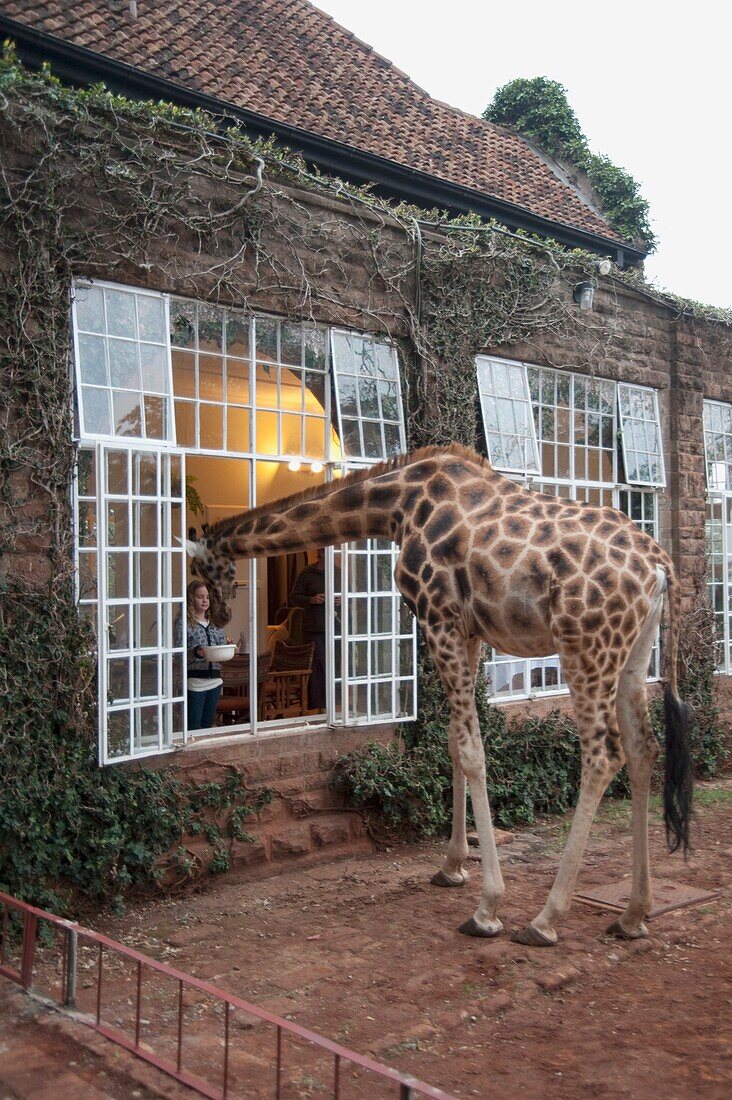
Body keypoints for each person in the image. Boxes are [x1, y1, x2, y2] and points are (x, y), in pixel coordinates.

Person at [290, 547, 339, 712]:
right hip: (313, 628)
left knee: (335, 664)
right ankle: (320, 707)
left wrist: (341, 599)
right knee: (318, 666)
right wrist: (312, 600)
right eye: (324, 553)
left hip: (335, 627)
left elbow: (351, 594)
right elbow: (294, 597)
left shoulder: (338, 573)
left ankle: (335, 703)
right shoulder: (307, 573)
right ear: (320, 554)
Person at [174, 580, 228, 731]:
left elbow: (221, 645)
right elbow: (179, 652)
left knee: (208, 724)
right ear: (191, 599)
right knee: (193, 725)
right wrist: (196, 652)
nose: (204, 600)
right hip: (195, 682)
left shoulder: (215, 623)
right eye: (200, 597)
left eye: (208, 597)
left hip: (215, 680)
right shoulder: (183, 624)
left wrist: (227, 647)